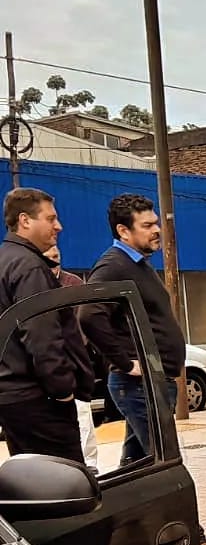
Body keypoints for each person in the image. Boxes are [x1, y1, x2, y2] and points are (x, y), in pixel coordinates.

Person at [82, 194, 206, 545]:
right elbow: (88, 316)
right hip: (139, 386)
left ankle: (115, 542)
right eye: (147, 225)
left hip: (155, 383)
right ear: (123, 230)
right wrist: (125, 362)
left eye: (156, 223)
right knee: (168, 466)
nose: (156, 231)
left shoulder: (138, 265)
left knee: (134, 467)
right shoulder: (112, 266)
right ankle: (196, 544)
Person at [0, 188, 91, 463]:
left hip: (14, 398)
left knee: (33, 479)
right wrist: (62, 390)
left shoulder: (6, 259)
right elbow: (42, 336)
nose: (58, 226)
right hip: (39, 402)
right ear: (25, 220)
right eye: (50, 218)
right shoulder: (29, 267)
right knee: (66, 479)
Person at [44, 246, 99, 473]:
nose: (53, 262)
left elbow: (85, 319)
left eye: (56, 257)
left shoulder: (73, 283)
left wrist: (78, 345)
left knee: (82, 414)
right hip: (47, 360)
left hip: (73, 359)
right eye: (48, 258)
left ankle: (90, 464)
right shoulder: (35, 283)